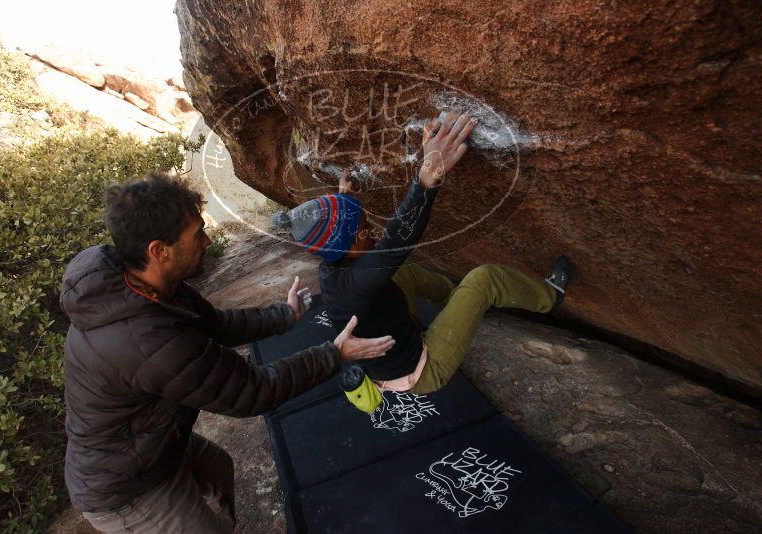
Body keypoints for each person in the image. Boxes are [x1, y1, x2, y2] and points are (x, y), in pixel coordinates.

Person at [60, 173, 394, 533]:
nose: (206, 240)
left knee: (217, 468)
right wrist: (334, 354)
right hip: (128, 488)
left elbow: (215, 325)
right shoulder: (147, 339)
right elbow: (253, 391)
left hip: (154, 448)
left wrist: (284, 315)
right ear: (159, 250)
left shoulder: (141, 286)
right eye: (196, 234)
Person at [273, 112, 571, 404]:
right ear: (348, 247)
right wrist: (428, 176)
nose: (372, 231)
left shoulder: (336, 265)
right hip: (422, 369)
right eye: (364, 230)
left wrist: (344, 199)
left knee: (402, 274)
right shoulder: (358, 282)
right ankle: (550, 296)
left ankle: (456, 299)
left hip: (399, 334)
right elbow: (399, 236)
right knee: (484, 279)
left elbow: (359, 242)